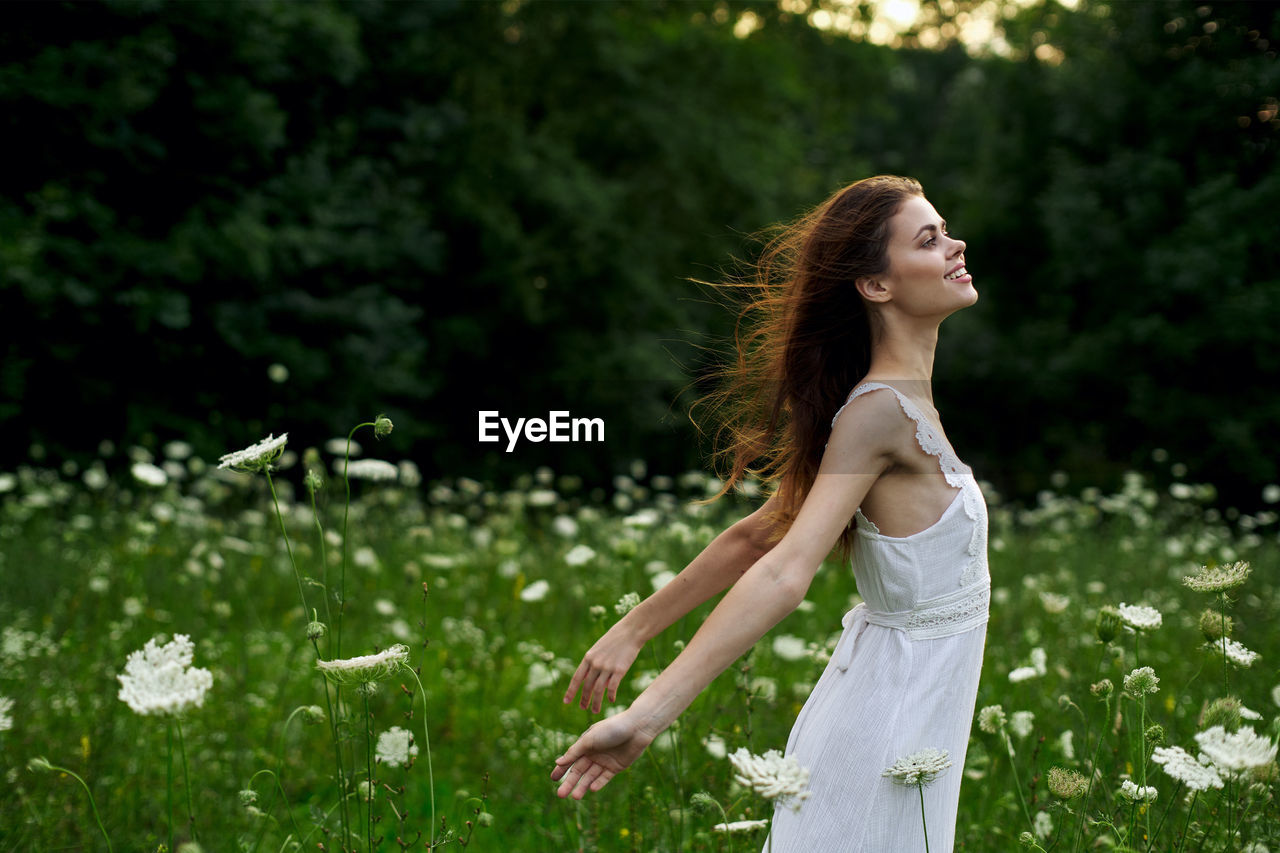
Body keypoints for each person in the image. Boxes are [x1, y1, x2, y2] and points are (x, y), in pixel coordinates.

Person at [549, 175, 990, 852]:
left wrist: (635, 629)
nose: (955, 244)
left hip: (915, 708)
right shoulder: (880, 413)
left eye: (945, 230)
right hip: (891, 716)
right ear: (875, 285)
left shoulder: (896, 405)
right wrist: (646, 716)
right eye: (929, 239)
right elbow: (786, 569)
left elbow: (764, 528)